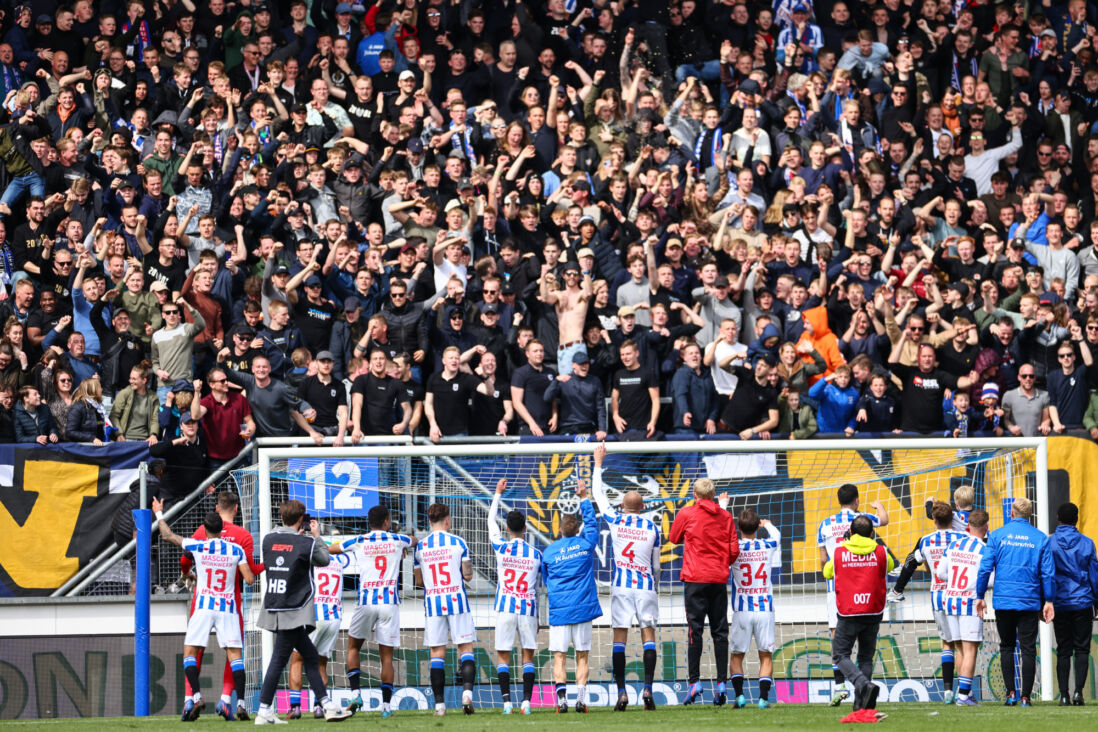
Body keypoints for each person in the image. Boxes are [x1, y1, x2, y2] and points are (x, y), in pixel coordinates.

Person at [151, 500, 254, 722]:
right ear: (221, 530)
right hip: (228, 608)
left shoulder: (198, 545)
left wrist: (159, 514)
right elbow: (249, 579)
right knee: (235, 657)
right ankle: (242, 704)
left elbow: (168, 535)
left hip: (204, 607)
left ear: (205, 529)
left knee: (190, 653)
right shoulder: (236, 549)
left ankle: (196, 697)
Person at [252, 499, 353, 724]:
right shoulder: (305, 543)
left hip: (274, 604)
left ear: (281, 517)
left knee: (309, 656)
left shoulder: (268, 540)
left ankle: (326, 705)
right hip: (295, 608)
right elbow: (325, 559)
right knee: (279, 660)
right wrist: (316, 537)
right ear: (301, 520)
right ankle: (264, 710)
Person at [178, 491, 264, 722]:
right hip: (230, 603)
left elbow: (184, 560)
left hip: (202, 602)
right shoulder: (244, 536)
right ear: (236, 509)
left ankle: (190, 699)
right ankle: (227, 701)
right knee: (233, 653)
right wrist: (269, 564)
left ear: (217, 508)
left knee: (195, 650)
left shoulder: (200, 531)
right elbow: (251, 572)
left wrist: (188, 575)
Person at [592, 443, 660, 711]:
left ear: (622, 505)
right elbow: (656, 566)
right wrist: (652, 581)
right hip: (645, 587)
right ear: (642, 507)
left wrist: (598, 463)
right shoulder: (652, 527)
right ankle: (647, 690)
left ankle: (621, 693)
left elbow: (598, 494)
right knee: (649, 636)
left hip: (621, 586)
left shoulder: (616, 520)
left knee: (619, 639)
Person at [330, 505, 415, 718]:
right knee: (387, 657)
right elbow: (414, 540)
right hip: (389, 603)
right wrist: (406, 545)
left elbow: (332, 548)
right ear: (386, 521)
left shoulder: (359, 541)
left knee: (352, 647)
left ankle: (356, 694)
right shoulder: (397, 539)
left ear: (370, 522)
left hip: (366, 600)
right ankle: (386, 708)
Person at [976, 497, 1056, 707]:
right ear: (1030, 515)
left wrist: (979, 596)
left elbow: (985, 569)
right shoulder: (1040, 538)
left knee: (1007, 647)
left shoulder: (998, 536)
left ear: (1011, 513)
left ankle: (1011, 693)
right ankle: (1026, 697)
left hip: (1004, 601)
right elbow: (1048, 573)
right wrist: (1049, 600)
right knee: (1028, 649)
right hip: (1029, 602)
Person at [668, 477, 740, 705]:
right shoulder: (726, 516)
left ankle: (694, 683)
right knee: (720, 632)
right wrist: (720, 563)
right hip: (718, 579)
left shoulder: (687, 513)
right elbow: (734, 550)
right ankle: (721, 684)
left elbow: (673, 538)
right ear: (713, 494)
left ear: (694, 494)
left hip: (695, 578)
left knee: (694, 631)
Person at [817, 483, 889, 705]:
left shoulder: (825, 524)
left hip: (837, 589)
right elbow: (884, 520)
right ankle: (863, 695)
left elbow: (822, 559)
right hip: (866, 589)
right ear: (857, 500)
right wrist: (879, 506)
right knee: (864, 649)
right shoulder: (863, 519)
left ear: (838, 501)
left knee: (836, 638)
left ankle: (839, 687)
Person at [887, 501, 966, 702]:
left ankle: (948, 691)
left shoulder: (925, 541)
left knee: (947, 644)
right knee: (963, 645)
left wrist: (897, 589)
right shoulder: (963, 538)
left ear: (934, 520)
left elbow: (911, 564)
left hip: (938, 596)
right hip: (960, 594)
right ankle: (965, 691)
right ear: (952, 518)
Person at [823, 515, 894, 721]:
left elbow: (828, 572)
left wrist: (846, 543)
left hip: (849, 612)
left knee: (840, 655)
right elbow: (888, 566)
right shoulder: (880, 551)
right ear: (872, 533)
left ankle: (862, 684)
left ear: (851, 533)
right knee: (865, 657)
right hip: (873, 611)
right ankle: (860, 705)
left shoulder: (839, 551)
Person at [541, 477, 601, 714]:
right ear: (578, 530)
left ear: (558, 531)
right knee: (582, 656)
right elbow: (593, 525)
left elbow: (546, 580)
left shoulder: (549, 552)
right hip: (583, 609)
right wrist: (584, 497)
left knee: (559, 658)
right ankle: (581, 701)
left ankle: (561, 701)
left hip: (560, 611)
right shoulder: (586, 544)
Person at [414, 502, 477, 716]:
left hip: (433, 604)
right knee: (465, 649)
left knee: (437, 654)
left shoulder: (420, 547)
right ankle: (467, 695)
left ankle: (439, 705)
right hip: (457, 600)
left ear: (429, 522)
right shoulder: (458, 542)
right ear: (447, 520)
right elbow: (468, 575)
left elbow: (419, 581)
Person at [487, 478, 542, 716]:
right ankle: (526, 703)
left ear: (507, 529)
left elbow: (490, 521)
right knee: (527, 655)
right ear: (526, 529)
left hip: (506, 607)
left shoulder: (500, 546)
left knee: (503, 655)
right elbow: (539, 587)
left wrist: (498, 494)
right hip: (528, 607)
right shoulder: (537, 554)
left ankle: (507, 703)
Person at [722, 505, 781, 710]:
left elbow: (721, 534)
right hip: (765, 609)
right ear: (757, 526)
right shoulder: (768, 545)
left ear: (739, 527)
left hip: (742, 610)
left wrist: (723, 508)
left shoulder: (734, 548)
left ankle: (739, 697)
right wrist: (768, 524)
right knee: (765, 655)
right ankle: (763, 699)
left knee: (737, 655)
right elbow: (777, 534)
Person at [287, 549, 353, 719]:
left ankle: (295, 707)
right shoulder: (339, 561)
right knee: (321, 664)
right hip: (334, 618)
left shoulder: (310, 561)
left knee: (297, 660)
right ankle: (318, 706)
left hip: (314, 616)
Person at [935, 509, 991, 706]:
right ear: (986, 527)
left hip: (950, 600)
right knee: (970, 650)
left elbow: (940, 572)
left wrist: (956, 583)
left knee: (960, 649)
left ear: (968, 526)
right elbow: (989, 578)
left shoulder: (954, 544)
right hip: (970, 602)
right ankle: (963, 696)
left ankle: (963, 691)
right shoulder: (984, 549)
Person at [1047, 502, 1098, 706]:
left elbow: (1046, 574)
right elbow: (1094, 576)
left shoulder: (1049, 543)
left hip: (1060, 602)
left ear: (1058, 518)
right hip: (1083, 601)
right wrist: (1097, 600)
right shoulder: (1087, 543)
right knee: (1082, 650)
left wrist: (1046, 600)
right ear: (1076, 519)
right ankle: (1078, 693)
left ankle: (1064, 694)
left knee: (1063, 649)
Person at [540, 259, 591, 374]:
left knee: (578, 385)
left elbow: (588, 293)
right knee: (565, 386)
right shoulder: (560, 296)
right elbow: (545, 297)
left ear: (579, 277)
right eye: (569, 274)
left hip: (576, 345)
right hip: (562, 348)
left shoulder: (581, 295)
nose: (572, 276)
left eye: (575, 274)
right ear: (563, 275)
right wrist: (543, 276)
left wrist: (586, 272)